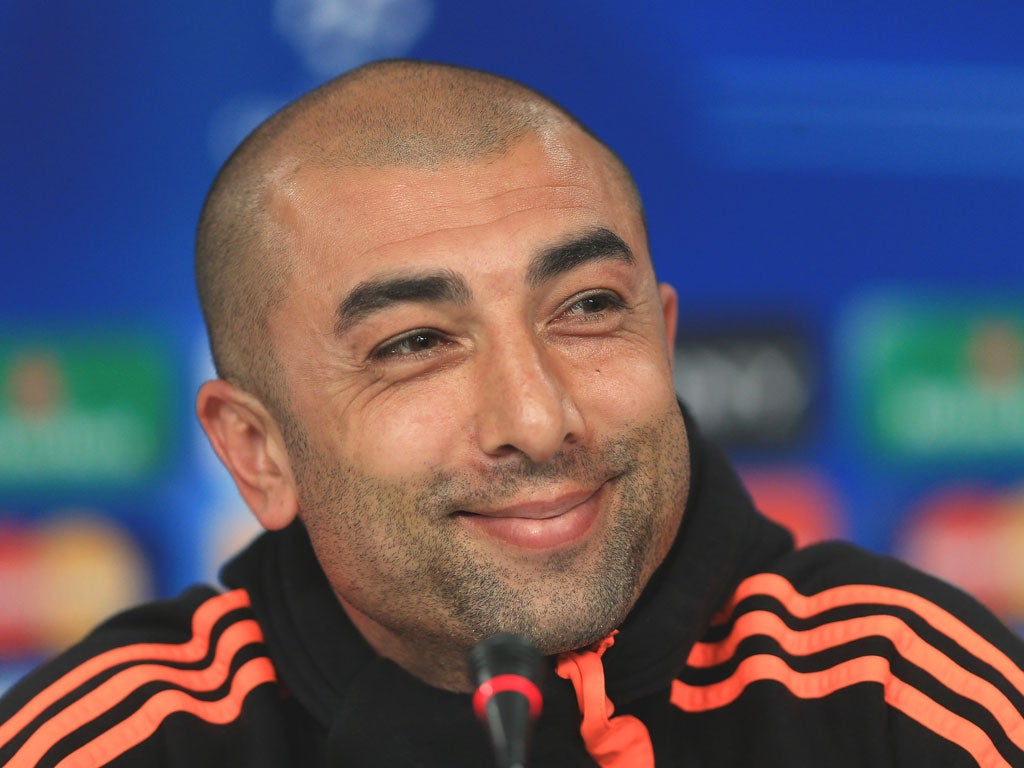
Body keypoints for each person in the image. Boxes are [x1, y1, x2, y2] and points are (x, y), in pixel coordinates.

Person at [1, 59, 1023, 768]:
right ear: (257, 452)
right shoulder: (122, 743)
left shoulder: (899, 695)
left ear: (663, 341)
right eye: (412, 345)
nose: (537, 421)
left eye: (585, 310)